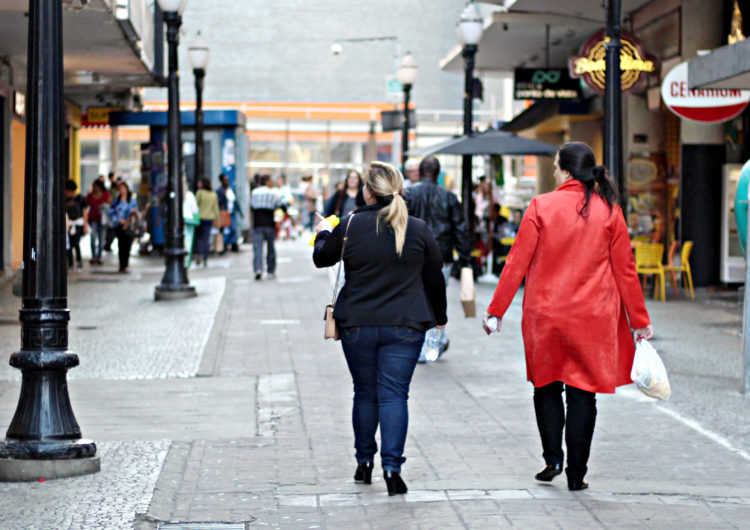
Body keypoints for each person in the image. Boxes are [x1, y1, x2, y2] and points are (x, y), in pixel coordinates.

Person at [483, 142, 654, 491]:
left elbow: (518, 261)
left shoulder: (541, 206)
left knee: (545, 385)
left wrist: (496, 310)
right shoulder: (610, 211)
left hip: (545, 314)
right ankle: (577, 473)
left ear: (563, 170)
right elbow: (626, 271)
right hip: (593, 317)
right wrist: (640, 320)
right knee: (582, 394)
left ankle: (553, 458)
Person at [312, 161, 447, 496]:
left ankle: (364, 462)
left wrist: (323, 232)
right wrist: (440, 317)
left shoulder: (351, 224)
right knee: (394, 395)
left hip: (357, 322)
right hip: (405, 324)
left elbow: (321, 258)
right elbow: (435, 277)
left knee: (365, 392)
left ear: (368, 190)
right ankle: (392, 468)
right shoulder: (417, 228)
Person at [406, 155, 473, 362]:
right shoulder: (449, 197)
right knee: (437, 300)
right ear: (437, 173)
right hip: (441, 257)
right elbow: (460, 230)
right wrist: (465, 259)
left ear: (421, 172)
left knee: (415, 299)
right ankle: (433, 344)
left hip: (413, 256)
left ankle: (419, 345)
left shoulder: (409, 194)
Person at [251, 174, 286, 280]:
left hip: (257, 224)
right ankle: (270, 271)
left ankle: (258, 269)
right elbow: (282, 205)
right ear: (267, 182)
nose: (272, 183)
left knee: (258, 248)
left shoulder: (254, 192)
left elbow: (252, 206)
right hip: (269, 224)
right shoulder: (273, 193)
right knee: (270, 248)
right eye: (271, 181)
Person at [109, 181, 139, 273]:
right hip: (119, 226)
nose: (122, 190)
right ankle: (121, 264)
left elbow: (136, 212)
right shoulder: (116, 201)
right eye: (120, 188)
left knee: (127, 245)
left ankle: (125, 264)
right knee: (120, 245)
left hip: (129, 226)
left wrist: (134, 213)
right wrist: (118, 220)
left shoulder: (132, 201)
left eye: (123, 188)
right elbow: (111, 212)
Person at [195, 176, 219, 267]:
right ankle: (205, 257)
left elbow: (195, 206)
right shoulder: (213, 194)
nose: (198, 184)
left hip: (200, 218)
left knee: (198, 238)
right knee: (206, 238)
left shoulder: (199, 193)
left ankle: (199, 254)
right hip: (210, 219)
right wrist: (217, 221)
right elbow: (216, 209)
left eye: (199, 182)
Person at [86, 179, 111, 265]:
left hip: (103, 219)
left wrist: (104, 206)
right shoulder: (90, 195)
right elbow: (86, 206)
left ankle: (99, 256)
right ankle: (94, 256)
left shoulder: (106, 194)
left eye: (95, 185)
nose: (94, 187)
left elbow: (110, 204)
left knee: (101, 239)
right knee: (93, 237)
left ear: (99, 186)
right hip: (93, 218)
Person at [65, 179, 88, 272]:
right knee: (69, 245)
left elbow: (85, 212)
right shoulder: (65, 199)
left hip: (79, 224)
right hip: (69, 224)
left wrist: (85, 226)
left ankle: (79, 262)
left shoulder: (81, 199)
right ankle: (70, 265)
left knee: (76, 243)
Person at [217, 173, 243, 253]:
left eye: (228, 180)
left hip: (232, 212)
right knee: (225, 230)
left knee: (234, 229)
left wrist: (240, 212)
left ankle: (233, 244)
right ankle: (224, 245)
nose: (227, 182)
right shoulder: (220, 191)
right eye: (225, 180)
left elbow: (236, 202)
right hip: (225, 213)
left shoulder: (232, 189)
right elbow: (218, 202)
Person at [183, 178, 200, 268]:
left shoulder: (175, 193)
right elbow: (195, 209)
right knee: (188, 242)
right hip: (189, 220)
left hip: (179, 221)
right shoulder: (190, 195)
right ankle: (186, 263)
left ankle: (183, 262)